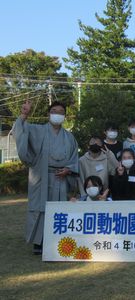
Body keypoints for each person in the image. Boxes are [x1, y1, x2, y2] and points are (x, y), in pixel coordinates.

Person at [14, 100, 79, 254]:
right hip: (42, 176)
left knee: (59, 209)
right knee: (40, 209)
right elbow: (21, 132)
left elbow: (74, 157)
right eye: (54, 111)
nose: (58, 115)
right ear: (49, 114)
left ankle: (57, 240)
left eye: (61, 112)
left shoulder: (69, 137)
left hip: (61, 177)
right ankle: (39, 242)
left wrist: (68, 170)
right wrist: (24, 115)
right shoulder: (38, 130)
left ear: (65, 116)